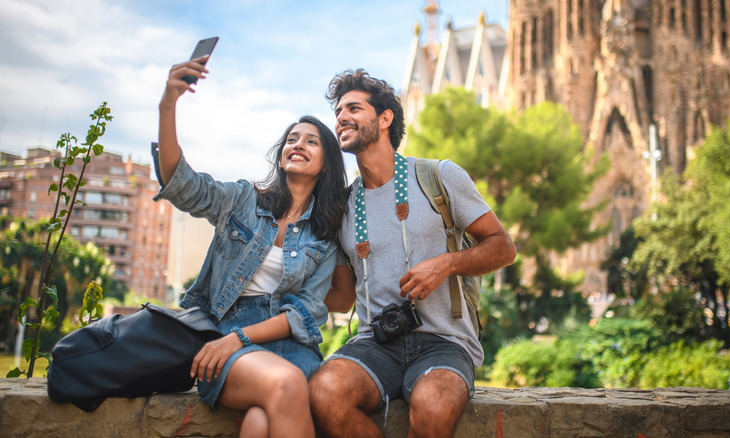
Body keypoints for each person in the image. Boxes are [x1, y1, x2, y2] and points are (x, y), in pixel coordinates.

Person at [310, 69, 516, 437]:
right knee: (324, 392)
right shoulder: (342, 206)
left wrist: (446, 264)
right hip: (376, 343)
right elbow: (341, 299)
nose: (341, 118)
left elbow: (503, 248)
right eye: (338, 111)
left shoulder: (439, 176)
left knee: (433, 406)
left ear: (385, 118)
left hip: (446, 342)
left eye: (353, 108)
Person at [154, 55, 348, 438]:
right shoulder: (242, 200)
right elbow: (182, 184)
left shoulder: (325, 233)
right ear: (281, 154)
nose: (298, 144)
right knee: (287, 385)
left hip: (289, 345)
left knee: (260, 423)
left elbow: (307, 312)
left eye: (311, 141)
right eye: (292, 139)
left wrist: (241, 339)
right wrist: (168, 104)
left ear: (326, 162)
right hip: (225, 340)